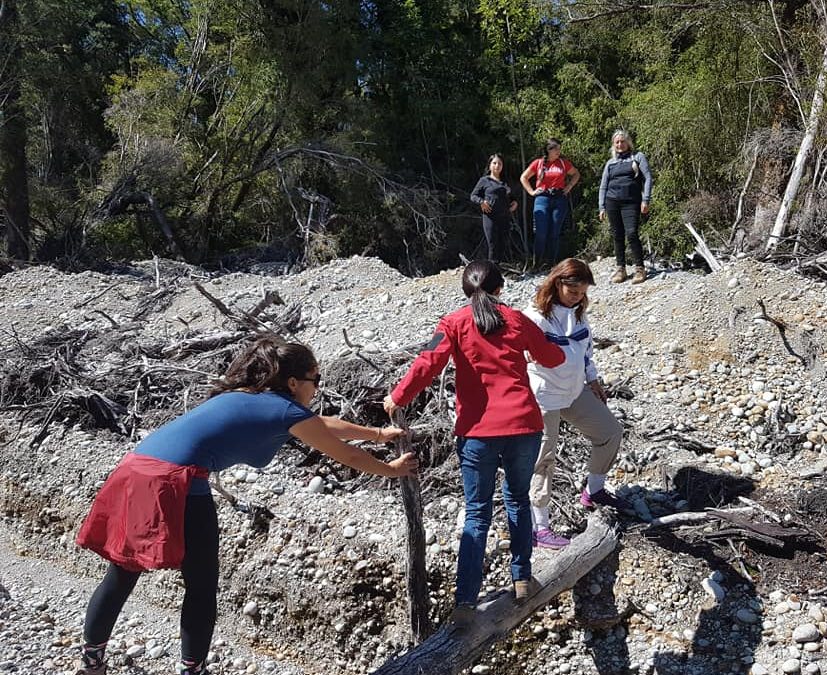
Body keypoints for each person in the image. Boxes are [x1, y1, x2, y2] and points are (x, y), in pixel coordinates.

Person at [74, 337, 417, 675]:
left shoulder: (253, 397)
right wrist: (391, 469)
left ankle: (91, 663)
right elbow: (345, 453)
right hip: (173, 481)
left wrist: (375, 434)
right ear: (294, 382)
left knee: (122, 574)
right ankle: (193, 670)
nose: (317, 387)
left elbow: (322, 426)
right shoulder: (284, 410)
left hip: (135, 468)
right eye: (316, 379)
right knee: (202, 585)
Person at [383, 260, 564, 620]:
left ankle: (465, 600)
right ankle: (522, 577)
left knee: (477, 513)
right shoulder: (516, 319)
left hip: (478, 432)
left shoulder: (453, 323)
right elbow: (553, 357)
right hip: (523, 426)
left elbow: (426, 363)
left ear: (466, 291)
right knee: (518, 502)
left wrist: (398, 397)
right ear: (500, 288)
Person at [523, 258, 630, 549]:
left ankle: (593, 491)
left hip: (574, 390)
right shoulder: (535, 317)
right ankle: (539, 527)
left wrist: (593, 380)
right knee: (544, 458)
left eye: (582, 292)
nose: (578, 297)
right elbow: (518, 350)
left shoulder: (579, 315)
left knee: (609, 432)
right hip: (544, 394)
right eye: (573, 291)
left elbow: (586, 352)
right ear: (557, 284)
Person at [597, 130, 653, 283]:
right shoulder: (610, 163)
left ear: (628, 142)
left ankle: (640, 269)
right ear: (613, 145)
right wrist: (602, 207)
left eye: (622, 141)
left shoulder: (638, 157)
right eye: (617, 142)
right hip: (612, 202)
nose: (620, 144)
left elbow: (648, 178)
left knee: (632, 233)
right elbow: (603, 186)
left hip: (631, 202)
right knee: (617, 235)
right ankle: (621, 269)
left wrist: (645, 200)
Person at [520, 138, 581, 268]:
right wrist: (531, 192)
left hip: (559, 198)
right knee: (541, 231)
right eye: (556, 148)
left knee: (554, 232)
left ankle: (550, 263)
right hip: (542, 197)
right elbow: (523, 177)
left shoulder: (563, 163)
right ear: (548, 150)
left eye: (559, 148)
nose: (558, 151)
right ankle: (537, 262)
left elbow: (576, 174)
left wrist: (569, 186)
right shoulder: (538, 163)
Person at [470, 153, 519, 263]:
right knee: (492, 244)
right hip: (490, 216)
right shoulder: (484, 180)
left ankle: (498, 270)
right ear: (490, 165)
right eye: (494, 163)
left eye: (500, 164)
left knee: (503, 243)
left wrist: (515, 203)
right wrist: (481, 202)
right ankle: (491, 271)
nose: (497, 166)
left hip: (504, 216)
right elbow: (473, 196)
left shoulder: (505, 181)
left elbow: (512, 197)